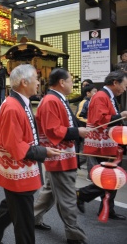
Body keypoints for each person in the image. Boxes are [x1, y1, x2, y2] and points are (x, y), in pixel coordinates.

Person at [0, 64, 60, 244]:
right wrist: (43, 151)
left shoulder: (17, 102)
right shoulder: (13, 107)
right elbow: (15, 147)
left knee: (12, 206)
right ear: (24, 82)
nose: (38, 83)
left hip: (19, 170)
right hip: (18, 172)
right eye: (36, 79)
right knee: (24, 219)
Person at [33, 68, 88, 244]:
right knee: (68, 197)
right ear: (62, 82)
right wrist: (77, 131)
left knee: (50, 191)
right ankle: (74, 234)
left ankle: (32, 218)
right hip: (59, 156)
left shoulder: (55, 98)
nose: (73, 83)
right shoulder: (50, 100)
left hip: (61, 155)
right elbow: (52, 130)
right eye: (71, 80)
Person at [77, 70, 127, 221]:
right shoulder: (101, 96)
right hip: (100, 144)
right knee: (108, 177)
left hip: (107, 143)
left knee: (113, 176)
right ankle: (81, 194)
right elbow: (101, 120)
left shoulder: (107, 96)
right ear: (115, 82)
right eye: (124, 85)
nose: (125, 89)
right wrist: (121, 115)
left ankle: (106, 208)